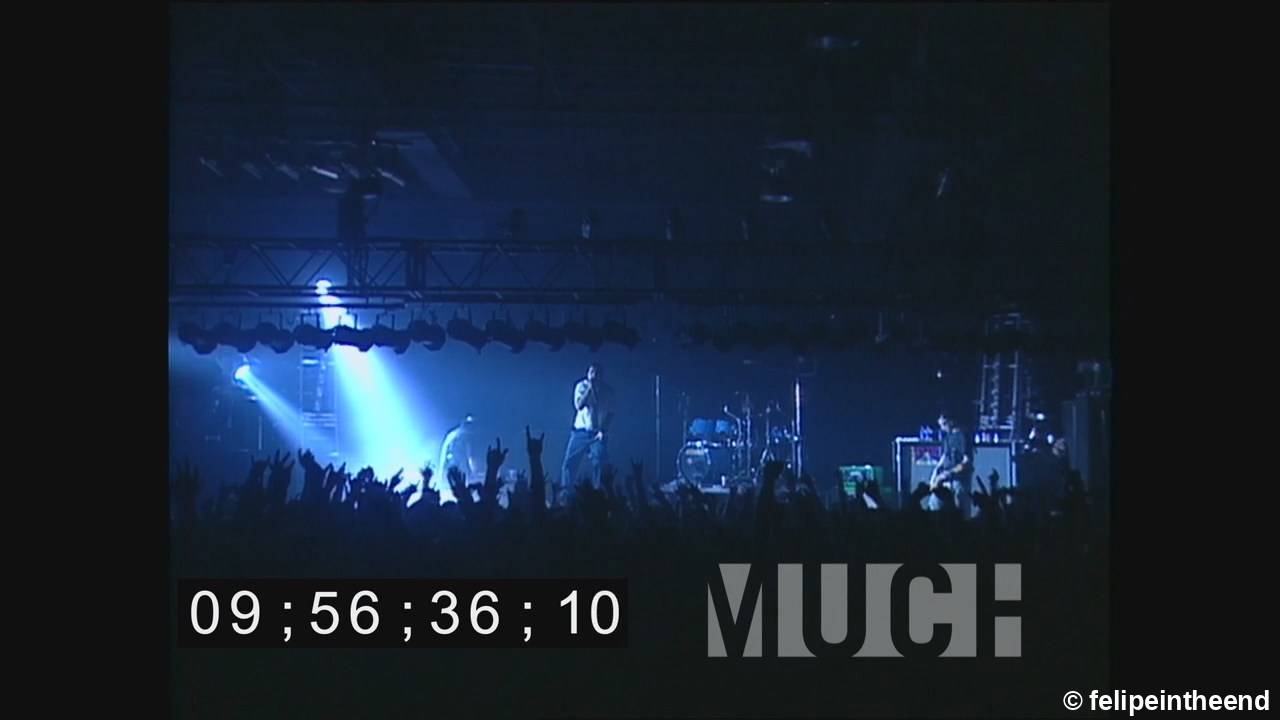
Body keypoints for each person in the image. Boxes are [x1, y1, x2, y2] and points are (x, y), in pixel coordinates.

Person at [559, 363, 614, 505]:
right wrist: (590, 388)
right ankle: (566, 495)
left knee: (601, 462)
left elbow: (610, 413)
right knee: (569, 462)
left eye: (597, 373)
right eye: (592, 372)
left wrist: (603, 430)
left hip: (597, 433)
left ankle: (598, 494)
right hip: (580, 432)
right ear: (588, 373)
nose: (594, 375)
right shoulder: (581, 386)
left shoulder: (608, 391)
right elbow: (579, 405)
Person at [928, 411, 973, 515]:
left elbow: (966, 462)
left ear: (951, 421)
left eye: (944, 424)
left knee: (959, 512)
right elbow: (944, 456)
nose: (942, 428)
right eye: (940, 425)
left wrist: (948, 473)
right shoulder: (947, 437)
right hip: (945, 481)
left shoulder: (962, 436)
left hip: (959, 481)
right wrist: (936, 473)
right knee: (935, 506)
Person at [433, 414, 478, 503]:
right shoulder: (456, 436)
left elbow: (469, 454)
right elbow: (469, 456)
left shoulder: (459, 436)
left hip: (457, 466)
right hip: (455, 465)